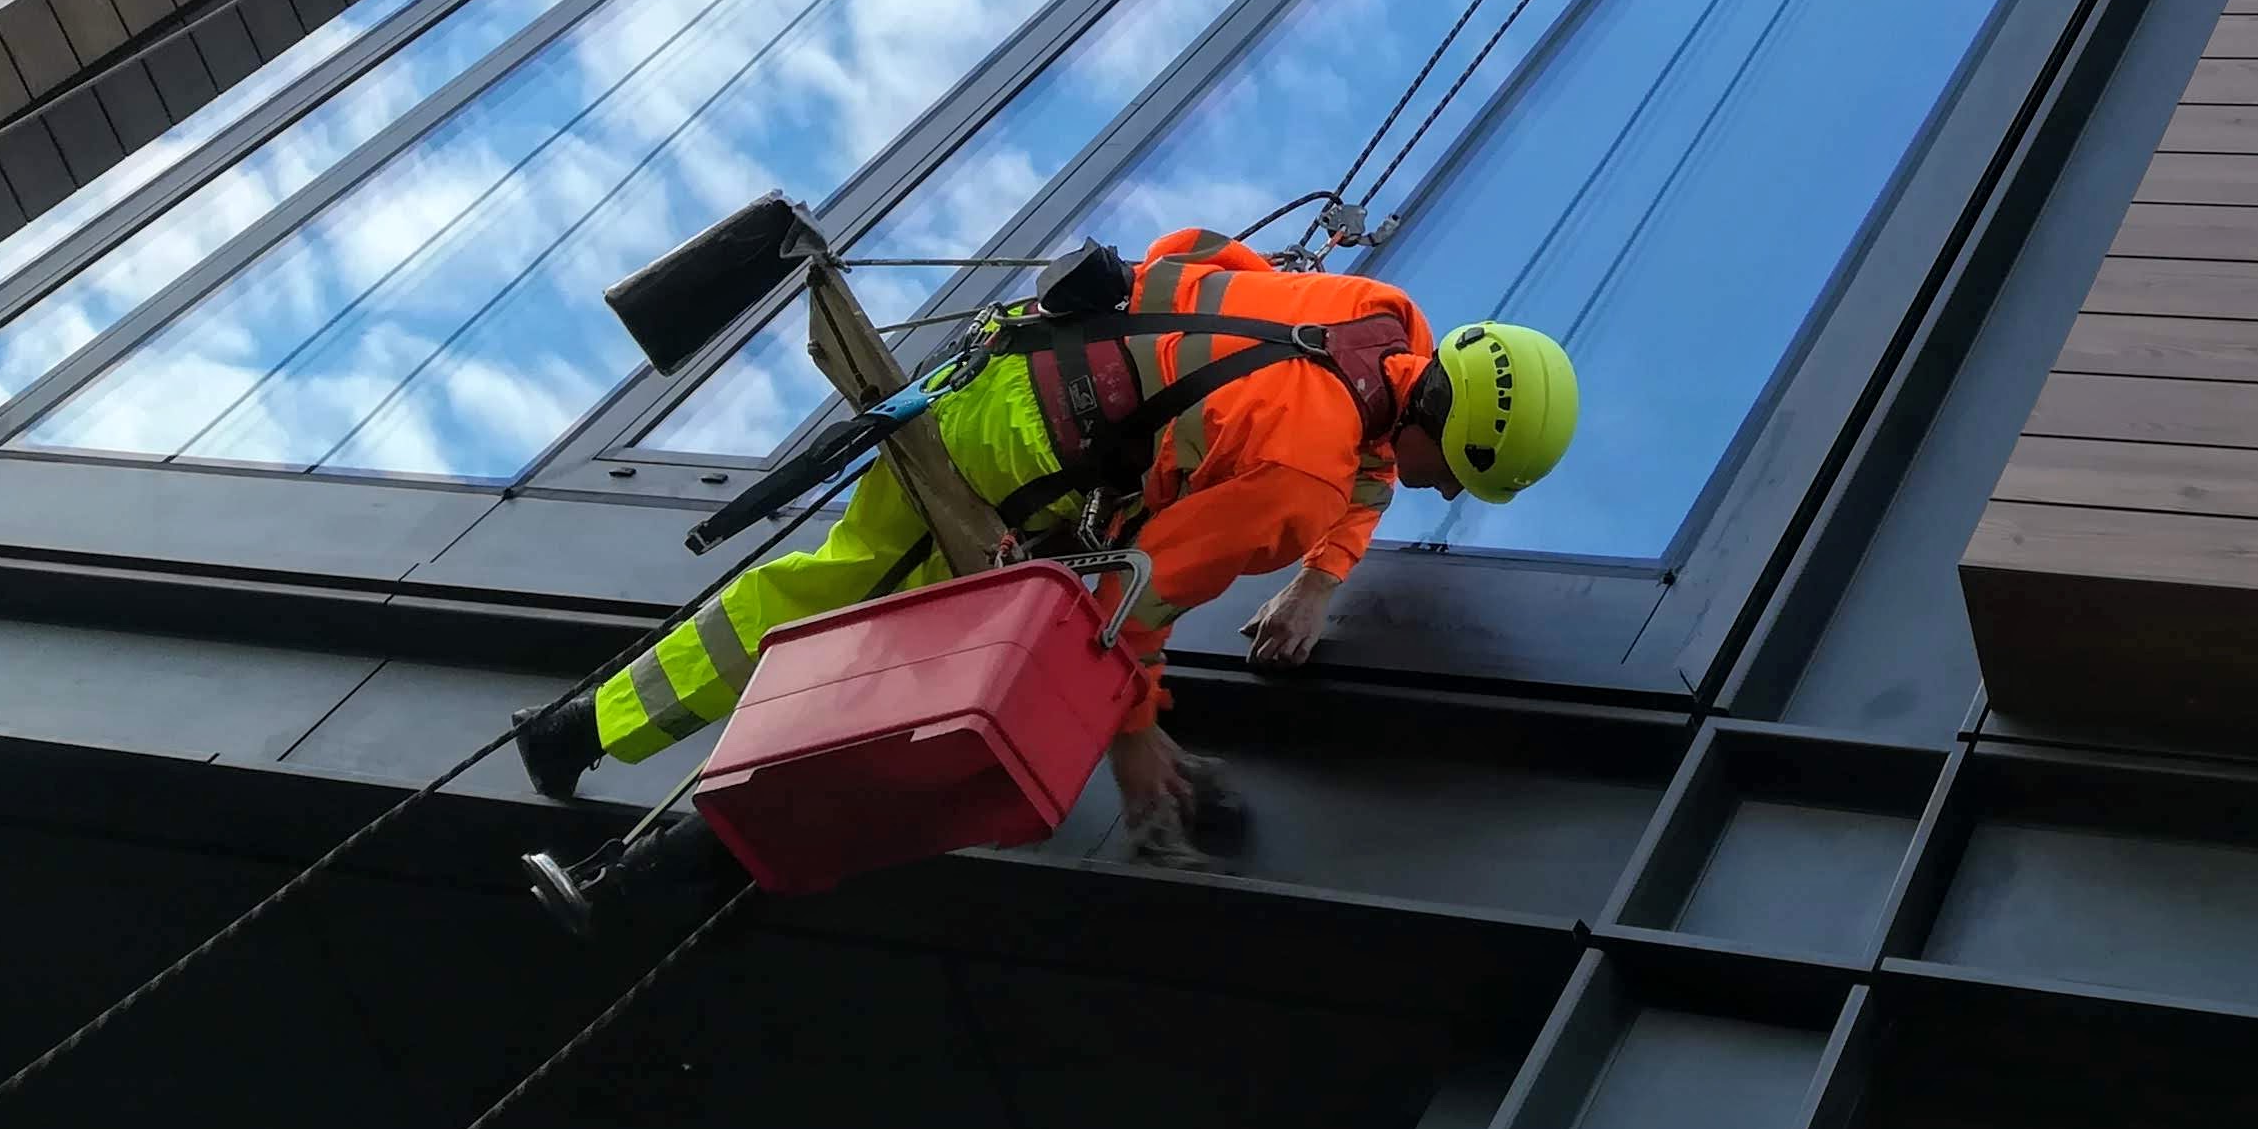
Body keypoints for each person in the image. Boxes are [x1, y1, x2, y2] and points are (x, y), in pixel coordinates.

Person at [516, 228, 1581, 878]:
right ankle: (654, 816)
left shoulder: (1372, 318)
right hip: (1010, 468)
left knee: (829, 584)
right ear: (1454, 437)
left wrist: (1321, 580)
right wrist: (1137, 737)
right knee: (877, 651)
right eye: (1455, 475)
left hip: (997, 368)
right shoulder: (1298, 485)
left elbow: (1193, 255)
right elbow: (1137, 602)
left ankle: (581, 729)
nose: (1437, 491)